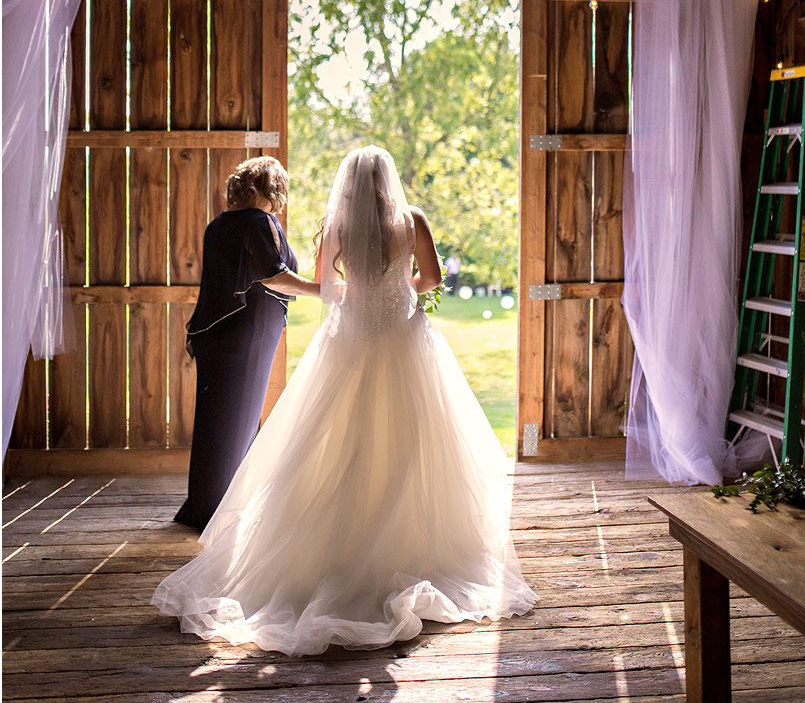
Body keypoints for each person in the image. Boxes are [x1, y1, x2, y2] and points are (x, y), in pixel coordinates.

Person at [153, 145, 536, 654]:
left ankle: (327, 552)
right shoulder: (413, 219)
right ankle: (415, 546)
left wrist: (359, 297)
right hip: (404, 339)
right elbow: (433, 280)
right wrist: (402, 289)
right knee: (413, 441)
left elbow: (329, 288)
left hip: (351, 340)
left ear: (348, 186)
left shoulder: (339, 226)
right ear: (389, 180)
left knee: (334, 443)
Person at [174, 156, 321, 531]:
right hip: (246, 333)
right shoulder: (260, 222)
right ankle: (216, 509)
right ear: (273, 190)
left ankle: (206, 503)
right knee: (236, 419)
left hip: (218, 332)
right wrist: (324, 292)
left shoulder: (218, 224)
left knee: (217, 421)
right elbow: (274, 275)